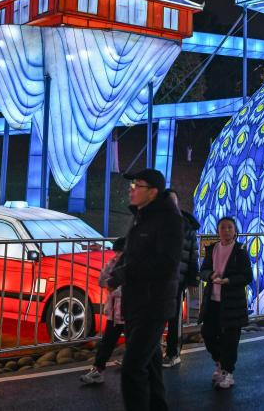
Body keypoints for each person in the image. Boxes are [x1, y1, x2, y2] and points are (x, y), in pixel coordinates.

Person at [113, 169, 183, 411]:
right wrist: (118, 270)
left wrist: (127, 272)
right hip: (136, 303)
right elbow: (134, 253)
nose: (131, 189)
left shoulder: (169, 220)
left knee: (132, 369)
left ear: (152, 192)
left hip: (153, 304)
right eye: (132, 184)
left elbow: (167, 263)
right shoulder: (141, 216)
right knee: (151, 368)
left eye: (137, 185)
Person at [199, 216, 253, 390]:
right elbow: (203, 271)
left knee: (230, 339)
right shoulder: (212, 248)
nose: (226, 230)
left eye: (230, 227)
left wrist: (229, 280)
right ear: (218, 230)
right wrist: (210, 275)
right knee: (207, 333)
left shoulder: (240, 250)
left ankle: (228, 373)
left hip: (232, 302)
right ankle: (220, 362)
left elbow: (247, 276)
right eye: (223, 227)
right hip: (212, 300)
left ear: (235, 231)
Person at [80, 237, 126, 385]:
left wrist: (113, 287)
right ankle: (98, 370)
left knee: (134, 341)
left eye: (120, 252)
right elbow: (101, 281)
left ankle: (136, 366)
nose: (117, 255)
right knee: (107, 342)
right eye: (116, 252)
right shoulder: (111, 263)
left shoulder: (132, 265)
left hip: (128, 310)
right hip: (114, 311)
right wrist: (110, 284)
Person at [164, 194, 200, 368]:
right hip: (157, 279)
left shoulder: (187, 227)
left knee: (174, 317)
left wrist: (193, 278)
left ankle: (173, 353)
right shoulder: (157, 222)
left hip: (177, 278)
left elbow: (193, 254)